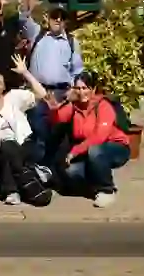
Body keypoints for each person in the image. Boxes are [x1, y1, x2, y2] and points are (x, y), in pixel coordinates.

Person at [18, 0, 83, 165]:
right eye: (54, 16)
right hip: (38, 93)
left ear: (66, 21)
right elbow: (22, 16)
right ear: (48, 18)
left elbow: (77, 70)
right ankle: (38, 171)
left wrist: (74, 91)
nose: (57, 20)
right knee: (38, 133)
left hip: (62, 95)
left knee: (58, 138)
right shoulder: (37, 34)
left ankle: (54, 172)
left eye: (62, 18)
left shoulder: (72, 42)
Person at [48, 71, 131, 208]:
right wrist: (54, 109)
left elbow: (99, 137)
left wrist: (75, 151)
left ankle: (107, 190)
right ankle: (94, 184)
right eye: (78, 88)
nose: (82, 92)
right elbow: (58, 120)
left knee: (95, 151)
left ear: (92, 89)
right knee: (70, 172)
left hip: (115, 148)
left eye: (85, 88)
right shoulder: (74, 106)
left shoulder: (103, 105)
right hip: (89, 151)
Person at [0, 55, 45, 205]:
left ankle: (12, 191)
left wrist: (25, 73)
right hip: (0, 152)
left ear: (4, 86)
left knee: (7, 145)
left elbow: (42, 94)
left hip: (24, 144)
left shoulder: (14, 97)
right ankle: (29, 175)